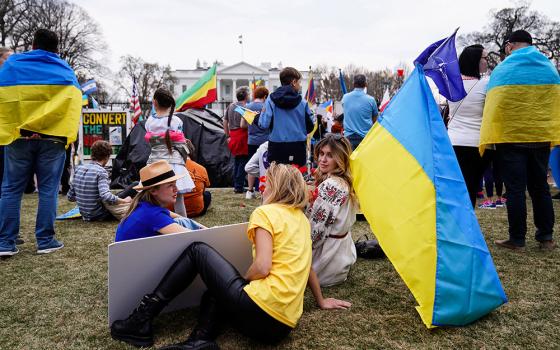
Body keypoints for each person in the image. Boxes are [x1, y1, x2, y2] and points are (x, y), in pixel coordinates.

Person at [110, 163, 350, 349]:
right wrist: (320, 300)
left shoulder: (265, 213)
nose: (262, 186)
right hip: (280, 328)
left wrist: (245, 279)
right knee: (214, 293)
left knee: (197, 250)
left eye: (267, 182)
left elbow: (263, 267)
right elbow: (307, 265)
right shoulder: (301, 219)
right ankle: (200, 340)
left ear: (276, 187)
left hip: (260, 310)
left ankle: (141, 320)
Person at [0, 29, 82, 256]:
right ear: (56, 48)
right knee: (48, 190)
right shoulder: (65, 71)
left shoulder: (13, 65)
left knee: (10, 189)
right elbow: (73, 105)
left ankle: (5, 242)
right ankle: (45, 240)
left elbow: (4, 99)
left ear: (33, 44)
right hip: (52, 138)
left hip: (19, 136)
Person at [479, 30, 560, 251]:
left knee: (515, 189)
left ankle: (517, 239)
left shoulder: (503, 69)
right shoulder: (549, 68)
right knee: (540, 187)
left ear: (509, 46)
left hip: (511, 138)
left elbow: (495, 105)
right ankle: (546, 238)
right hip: (541, 137)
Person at [307, 134, 357, 286]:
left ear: (340, 158)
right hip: (340, 258)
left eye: (330, 155)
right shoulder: (345, 181)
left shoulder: (331, 185)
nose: (322, 159)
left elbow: (316, 231)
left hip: (325, 263)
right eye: (321, 153)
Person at [447, 44, 491, 208]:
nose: (487, 61)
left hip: (452, 142)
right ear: (476, 61)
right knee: (471, 188)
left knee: (455, 190)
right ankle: (467, 227)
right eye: (485, 58)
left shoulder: (452, 84)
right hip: (476, 144)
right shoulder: (486, 84)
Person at [115, 160, 202, 242]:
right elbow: (191, 238)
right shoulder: (152, 214)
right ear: (153, 191)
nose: (176, 189)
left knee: (182, 221)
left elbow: (179, 217)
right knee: (195, 248)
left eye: (175, 184)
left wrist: (205, 229)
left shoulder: (144, 206)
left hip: (135, 255)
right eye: (170, 185)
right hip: (139, 257)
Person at [145, 88, 194, 218]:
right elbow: (180, 144)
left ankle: (158, 223)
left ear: (154, 103)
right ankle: (184, 226)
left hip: (155, 164)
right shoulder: (176, 121)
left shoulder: (150, 121)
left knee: (155, 198)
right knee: (178, 199)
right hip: (174, 163)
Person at [258, 67, 315, 166]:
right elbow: (310, 126)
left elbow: (264, 124)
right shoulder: (302, 102)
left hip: (276, 148)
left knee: (277, 179)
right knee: (296, 179)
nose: (299, 85)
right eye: (299, 82)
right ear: (293, 82)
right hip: (298, 147)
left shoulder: (270, 100)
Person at [67, 140, 133, 221]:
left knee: (118, 194)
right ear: (107, 157)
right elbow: (106, 196)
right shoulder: (101, 172)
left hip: (85, 214)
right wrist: (124, 201)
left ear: (92, 154)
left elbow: (70, 197)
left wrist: (86, 197)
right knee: (135, 185)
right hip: (100, 214)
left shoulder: (79, 169)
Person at [242, 86, 269, 199]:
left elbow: (242, 125)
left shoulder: (248, 107)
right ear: (265, 96)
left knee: (251, 164)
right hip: (265, 140)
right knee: (265, 165)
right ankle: (265, 188)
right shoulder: (266, 106)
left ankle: (250, 190)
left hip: (252, 140)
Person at [224, 86, 250, 194]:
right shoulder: (246, 107)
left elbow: (225, 122)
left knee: (237, 161)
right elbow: (244, 125)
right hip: (242, 135)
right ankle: (239, 186)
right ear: (246, 96)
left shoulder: (230, 106)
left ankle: (237, 184)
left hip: (233, 135)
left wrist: (227, 135)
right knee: (243, 161)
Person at [342, 74, 378, 150]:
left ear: (354, 84)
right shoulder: (371, 100)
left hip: (348, 137)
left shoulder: (345, 97)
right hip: (365, 138)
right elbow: (375, 120)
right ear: (365, 84)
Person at [182, 139, 211, 217]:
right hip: (197, 210)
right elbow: (203, 189)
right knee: (207, 194)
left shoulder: (168, 168)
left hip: (173, 211)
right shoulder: (201, 168)